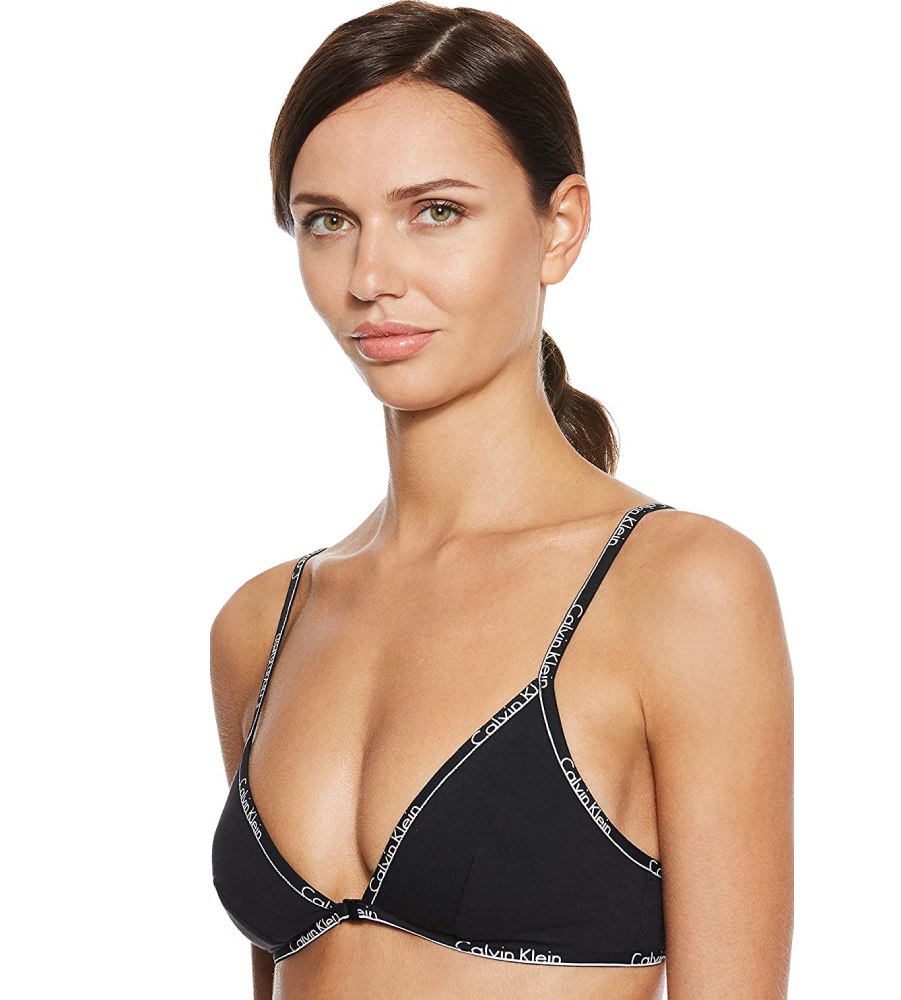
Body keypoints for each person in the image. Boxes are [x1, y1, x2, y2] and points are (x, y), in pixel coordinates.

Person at [209, 3, 793, 998]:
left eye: (436, 211)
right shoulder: (262, 624)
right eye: (327, 221)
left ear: (559, 227)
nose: (370, 276)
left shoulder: (679, 588)